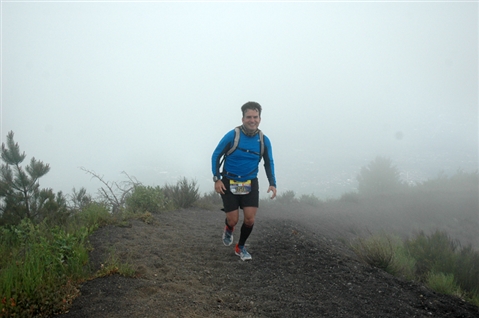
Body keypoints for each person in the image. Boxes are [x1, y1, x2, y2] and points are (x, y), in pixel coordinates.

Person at [211, 101, 277, 261]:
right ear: (243, 118)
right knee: (233, 219)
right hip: (229, 181)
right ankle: (229, 227)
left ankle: (240, 247)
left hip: (250, 182)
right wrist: (217, 179)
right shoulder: (233, 135)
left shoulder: (263, 140)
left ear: (260, 119)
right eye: (249, 117)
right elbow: (216, 155)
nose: (252, 120)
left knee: (250, 219)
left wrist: (272, 183)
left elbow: (269, 162)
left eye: (255, 117)